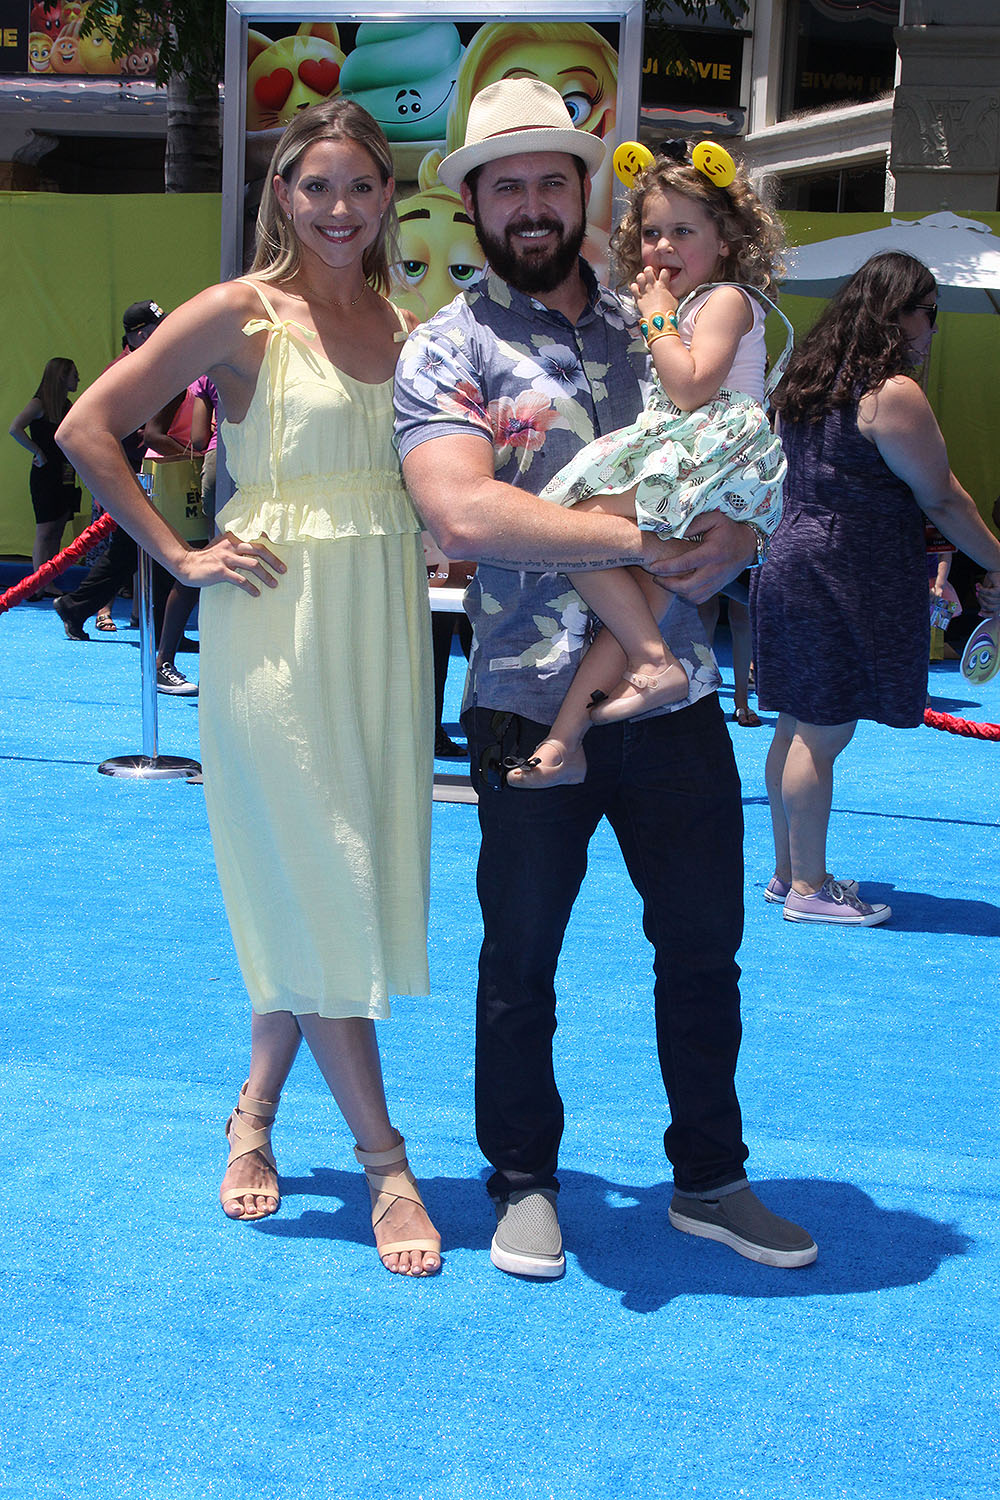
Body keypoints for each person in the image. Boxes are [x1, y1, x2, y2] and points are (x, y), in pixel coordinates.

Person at [395, 77, 816, 1277]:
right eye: (507, 185)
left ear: (583, 193)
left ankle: (711, 1178)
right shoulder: (448, 347)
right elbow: (460, 513)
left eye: (551, 180)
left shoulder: (664, 313)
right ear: (474, 203)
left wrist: (741, 536)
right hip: (526, 700)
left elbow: (738, 452)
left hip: (678, 693)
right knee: (519, 962)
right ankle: (524, 1180)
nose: (531, 204)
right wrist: (640, 535)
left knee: (704, 950)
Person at [57, 99, 440, 1277]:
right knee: (318, 874)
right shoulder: (240, 313)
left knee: (327, 881)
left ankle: (254, 1114)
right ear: (281, 193)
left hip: (382, 627)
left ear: (388, 196)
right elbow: (87, 427)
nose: (340, 208)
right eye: (316, 185)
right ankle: (385, 1165)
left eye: (361, 186)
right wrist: (178, 555)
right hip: (275, 628)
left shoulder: (410, 326)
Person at [502, 145, 788, 786]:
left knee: (574, 518)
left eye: (683, 231)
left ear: (725, 240)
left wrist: (657, 317)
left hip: (707, 454)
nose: (663, 246)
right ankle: (564, 742)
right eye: (652, 232)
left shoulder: (725, 300)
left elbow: (690, 387)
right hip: (698, 461)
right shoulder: (689, 304)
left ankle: (655, 661)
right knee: (633, 613)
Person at [753, 251, 1000, 926]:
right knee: (822, 732)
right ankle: (808, 889)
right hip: (843, 573)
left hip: (792, 559)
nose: (933, 329)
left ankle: (788, 873)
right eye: (929, 313)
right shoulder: (890, 391)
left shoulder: (806, 379)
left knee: (796, 725)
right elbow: (942, 497)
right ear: (899, 314)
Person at [53, 302, 174, 643]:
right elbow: (101, 428)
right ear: (141, 334)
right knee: (144, 546)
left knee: (129, 551)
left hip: (138, 469)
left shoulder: (139, 365)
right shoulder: (125, 371)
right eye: (158, 327)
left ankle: (78, 607)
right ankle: (160, 628)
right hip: (127, 471)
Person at [9, 356, 81, 597]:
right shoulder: (38, 404)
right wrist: (37, 450)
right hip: (45, 473)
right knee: (45, 529)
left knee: (58, 527)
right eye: (74, 375)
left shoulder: (66, 405)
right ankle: (37, 583)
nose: (78, 379)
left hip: (64, 471)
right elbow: (15, 428)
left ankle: (48, 579)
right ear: (61, 377)